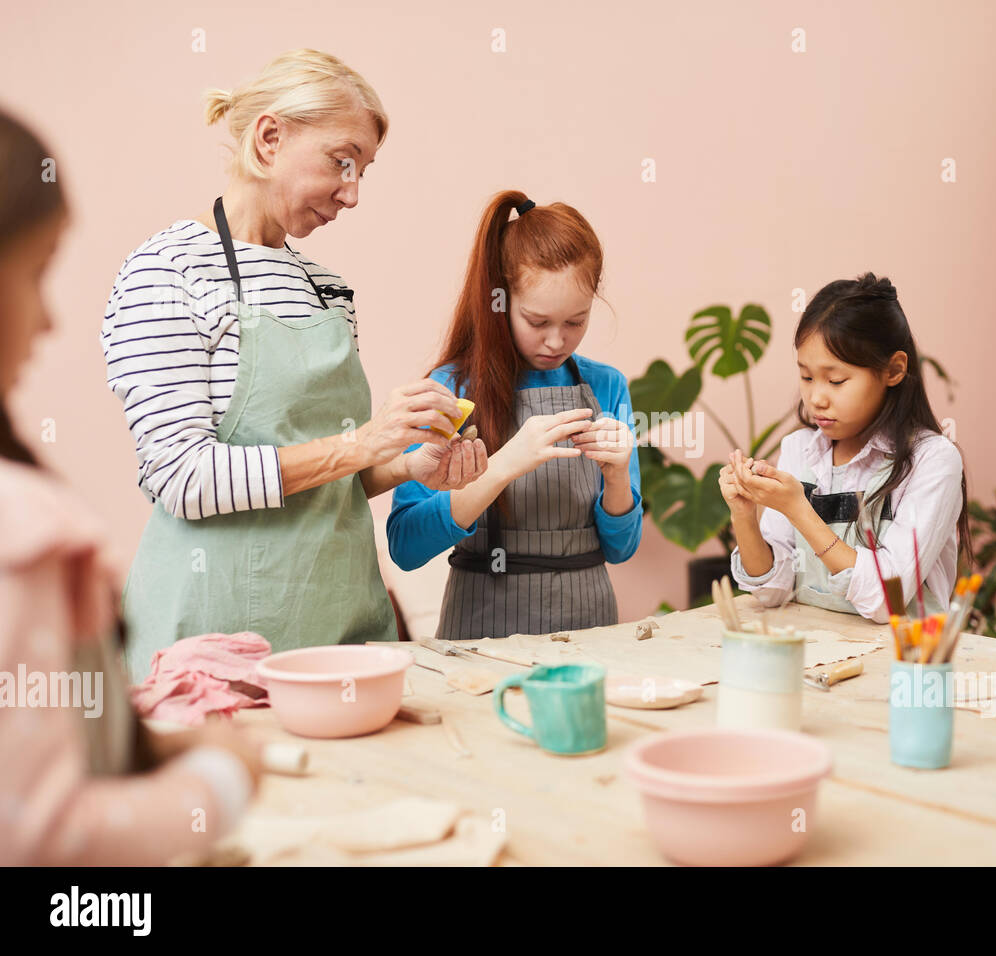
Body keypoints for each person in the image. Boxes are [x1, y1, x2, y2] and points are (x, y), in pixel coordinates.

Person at [99, 50, 487, 679]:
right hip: (213, 645)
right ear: (270, 138)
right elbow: (185, 480)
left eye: (363, 171)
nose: (353, 193)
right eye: (342, 161)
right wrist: (361, 441)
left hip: (343, 630)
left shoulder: (326, 288)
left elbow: (331, 479)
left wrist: (410, 461)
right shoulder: (167, 272)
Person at [1, 107, 263, 865]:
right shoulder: (19, 527)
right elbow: (39, 837)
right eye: (36, 271)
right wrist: (222, 779)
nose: (50, 321)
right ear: (268, 140)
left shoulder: (326, 288)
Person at [387, 191, 643, 639]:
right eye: (537, 321)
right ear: (500, 302)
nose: (556, 341)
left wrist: (619, 479)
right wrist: (504, 465)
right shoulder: (451, 388)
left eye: (576, 321)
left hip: (592, 633)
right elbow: (405, 546)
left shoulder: (606, 386)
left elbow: (620, 550)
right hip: (481, 632)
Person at [722, 273, 971, 620]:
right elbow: (773, 590)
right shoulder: (799, 450)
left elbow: (888, 599)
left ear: (894, 370)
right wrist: (744, 516)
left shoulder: (931, 460)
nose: (816, 398)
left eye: (836, 380)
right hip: (821, 655)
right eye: (806, 377)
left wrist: (799, 510)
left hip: (905, 660)